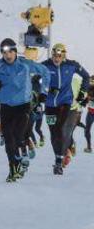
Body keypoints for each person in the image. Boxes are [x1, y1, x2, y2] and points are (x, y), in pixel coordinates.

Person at [0, 38, 50, 182]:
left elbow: (45, 72)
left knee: (17, 135)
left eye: (10, 51)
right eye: (4, 53)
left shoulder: (25, 64)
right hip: (6, 107)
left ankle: (21, 156)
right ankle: (13, 169)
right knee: (8, 138)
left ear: (15, 51)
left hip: (23, 105)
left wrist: (44, 93)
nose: (8, 55)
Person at [42, 43, 89, 174]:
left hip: (65, 102)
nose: (56, 59)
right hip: (50, 104)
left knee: (60, 130)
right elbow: (34, 78)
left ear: (64, 55)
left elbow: (86, 76)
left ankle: (59, 162)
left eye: (59, 56)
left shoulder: (71, 65)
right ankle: (58, 157)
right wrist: (45, 90)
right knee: (53, 134)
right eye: (54, 55)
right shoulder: (45, 65)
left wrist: (82, 93)